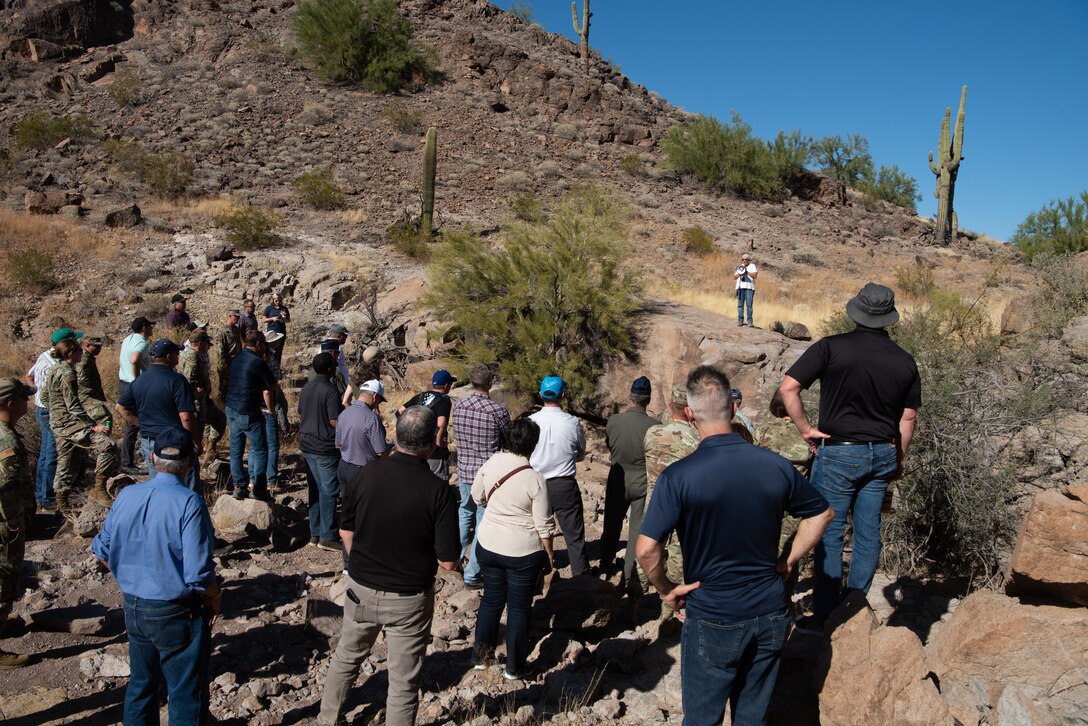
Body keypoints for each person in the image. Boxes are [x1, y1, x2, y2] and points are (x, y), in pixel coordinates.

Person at [637, 365, 833, 725]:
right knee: (752, 718)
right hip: (769, 611)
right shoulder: (775, 466)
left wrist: (667, 589)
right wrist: (788, 559)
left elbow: (647, 549)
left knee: (702, 719)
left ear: (690, 414)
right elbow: (822, 513)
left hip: (713, 614)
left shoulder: (678, 476)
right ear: (732, 407)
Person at [779, 282, 920, 633]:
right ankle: (854, 608)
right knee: (868, 533)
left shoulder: (830, 347)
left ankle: (825, 614)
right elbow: (908, 418)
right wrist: (898, 459)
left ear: (856, 311)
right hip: (883, 452)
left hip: (839, 452)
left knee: (829, 530)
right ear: (888, 318)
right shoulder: (904, 360)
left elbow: (788, 387)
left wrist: (805, 429)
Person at [317, 407, 459, 726]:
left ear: (395, 436)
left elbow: (346, 531)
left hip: (361, 588)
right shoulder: (438, 491)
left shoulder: (367, 473)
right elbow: (448, 561)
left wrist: (359, 564)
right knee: (403, 683)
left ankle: (326, 720)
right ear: (432, 442)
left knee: (346, 658)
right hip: (409, 598)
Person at [91, 428, 219, 725]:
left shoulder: (127, 495)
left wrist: (126, 573)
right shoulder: (189, 502)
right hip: (175, 609)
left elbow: (101, 548)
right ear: (190, 462)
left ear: (151, 458)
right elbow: (197, 572)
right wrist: (214, 595)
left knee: (141, 686)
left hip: (133, 604)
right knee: (185, 691)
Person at [470, 418, 553, 679]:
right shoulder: (535, 479)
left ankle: (481, 657)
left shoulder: (492, 462)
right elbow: (544, 525)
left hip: (489, 543)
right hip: (522, 551)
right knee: (518, 608)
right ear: (534, 444)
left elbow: (477, 495)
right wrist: (549, 554)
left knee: (491, 600)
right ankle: (514, 667)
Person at [42, 338, 118, 520]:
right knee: (108, 446)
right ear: (71, 353)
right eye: (78, 350)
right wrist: (93, 425)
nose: (81, 353)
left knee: (67, 461)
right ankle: (99, 490)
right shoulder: (68, 373)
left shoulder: (54, 368)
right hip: (69, 424)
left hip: (59, 423)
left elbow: (44, 397)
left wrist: (56, 413)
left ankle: (62, 507)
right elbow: (73, 406)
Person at [450, 363, 511, 589]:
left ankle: (453, 561)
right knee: (482, 523)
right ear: (490, 383)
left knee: (465, 513)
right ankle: (472, 573)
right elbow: (507, 439)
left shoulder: (459, 405)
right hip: (487, 475)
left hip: (465, 470)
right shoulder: (497, 411)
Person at [640, 385, 701, 606]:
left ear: (669, 405)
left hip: (654, 500)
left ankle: (634, 599)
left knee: (647, 549)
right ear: (690, 410)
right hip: (684, 503)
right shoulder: (697, 438)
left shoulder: (653, 433)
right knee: (678, 553)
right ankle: (671, 606)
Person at [116, 339, 201, 493]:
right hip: (175, 441)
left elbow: (121, 407)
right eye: (176, 353)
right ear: (169, 356)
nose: (178, 356)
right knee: (187, 489)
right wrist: (194, 441)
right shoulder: (177, 380)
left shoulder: (140, 380)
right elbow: (186, 417)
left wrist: (140, 424)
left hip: (149, 442)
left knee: (159, 487)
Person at [528, 375, 590, 577]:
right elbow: (580, 452)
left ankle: (538, 575)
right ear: (563, 395)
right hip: (564, 485)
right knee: (574, 537)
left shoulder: (531, 421)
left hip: (535, 484)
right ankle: (581, 579)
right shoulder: (572, 422)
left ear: (540, 394)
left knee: (536, 534)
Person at [601, 376, 658, 591]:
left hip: (618, 476)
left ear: (630, 397)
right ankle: (628, 576)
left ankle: (605, 566)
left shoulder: (613, 421)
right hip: (641, 478)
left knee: (611, 525)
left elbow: (610, 444)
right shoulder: (655, 426)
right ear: (648, 400)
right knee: (636, 530)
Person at [0, 378, 35, 669]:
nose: (28, 401)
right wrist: (16, 523)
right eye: (24, 397)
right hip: (5, 524)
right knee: (4, 577)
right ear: (11, 404)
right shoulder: (7, 442)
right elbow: (8, 490)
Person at [26, 327, 81, 509]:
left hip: (41, 409)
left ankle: (41, 495)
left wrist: (37, 394)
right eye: (74, 342)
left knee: (44, 454)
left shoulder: (44, 356)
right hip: (50, 411)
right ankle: (48, 499)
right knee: (52, 454)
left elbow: (29, 376)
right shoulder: (56, 364)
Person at [298, 353, 343, 550]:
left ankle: (314, 533)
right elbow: (334, 420)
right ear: (330, 369)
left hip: (307, 444)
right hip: (325, 446)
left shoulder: (307, 387)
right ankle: (328, 535)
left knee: (315, 489)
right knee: (329, 491)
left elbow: (301, 412)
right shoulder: (331, 391)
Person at [225, 331, 276, 500]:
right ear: (259, 344)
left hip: (231, 407)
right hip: (247, 410)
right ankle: (259, 489)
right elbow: (269, 386)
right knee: (260, 448)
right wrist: (271, 410)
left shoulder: (236, 358)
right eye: (265, 345)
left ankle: (239, 486)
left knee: (236, 450)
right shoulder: (258, 362)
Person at [397, 370, 456, 483]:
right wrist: (439, 442)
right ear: (446, 385)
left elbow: (399, 412)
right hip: (433, 451)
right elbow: (441, 423)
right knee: (437, 481)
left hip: (415, 448)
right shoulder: (444, 399)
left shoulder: (420, 396)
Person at [118, 316, 154, 475]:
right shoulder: (142, 342)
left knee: (131, 423)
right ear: (144, 327)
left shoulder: (128, 339)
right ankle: (127, 463)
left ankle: (127, 461)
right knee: (133, 424)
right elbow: (134, 358)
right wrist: (137, 379)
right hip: (133, 386)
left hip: (123, 382)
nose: (152, 329)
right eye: (150, 326)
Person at [335, 379, 388, 487]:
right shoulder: (372, 418)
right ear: (375, 397)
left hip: (343, 466)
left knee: (346, 497)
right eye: (379, 401)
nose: (378, 404)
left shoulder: (344, 414)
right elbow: (380, 452)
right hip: (362, 471)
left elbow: (338, 444)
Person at [179, 330, 213, 464]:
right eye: (206, 342)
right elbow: (189, 378)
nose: (208, 346)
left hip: (196, 398)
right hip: (195, 401)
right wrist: (195, 392)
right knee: (196, 431)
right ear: (199, 343)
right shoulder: (192, 356)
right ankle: (191, 464)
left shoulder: (189, 354)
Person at [262, 331, 288, 490]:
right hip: (268, 398)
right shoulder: (268, 357)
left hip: (266, 397)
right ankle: (271, 478)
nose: (279, 342)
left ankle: (258, 477)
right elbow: (268, 386)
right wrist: (270, 408)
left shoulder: (267, 354)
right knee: (272, 444)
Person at [261, 294, 290, 367]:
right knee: (270, 350)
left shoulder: (284, 308)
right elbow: (263, 320)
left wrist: (284, 319)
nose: (278, 302)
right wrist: (272, 319)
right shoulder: (269, 308)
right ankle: (269, 366)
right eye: (276, 300)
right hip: (272, 332)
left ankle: (277, 367)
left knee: (279, 351)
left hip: (281, 332)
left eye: (279, 300)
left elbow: (288, 320)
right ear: (273, 300)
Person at [734, 252, 757, 327]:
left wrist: (747, 272)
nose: (744, 261)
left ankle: (750, 321)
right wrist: (740, 274)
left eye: (745, 259)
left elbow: (755, 275)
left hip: (749, 288)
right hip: (741, 287)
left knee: (749, 305)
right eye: (742, 259)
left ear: (748, 260)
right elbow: (735, 277)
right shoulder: (740, 267)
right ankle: (740, 320)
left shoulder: (752, 266)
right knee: (740, 305)